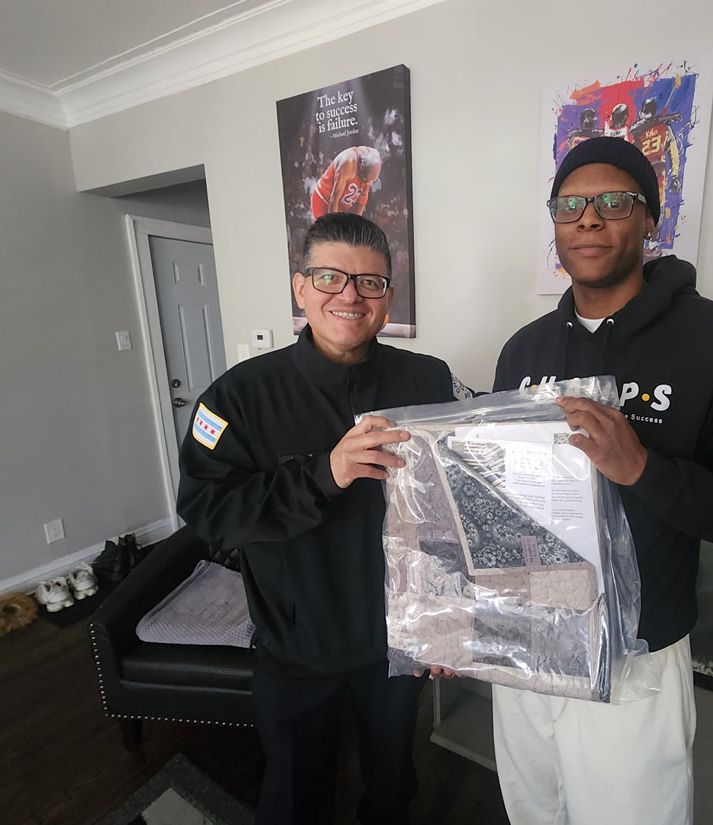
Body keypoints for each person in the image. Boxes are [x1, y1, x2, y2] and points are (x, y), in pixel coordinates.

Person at [490, 137, 713, 825]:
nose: (588, 218)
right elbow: (502, 505)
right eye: (569, 205)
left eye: (614, 202)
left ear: (651, 220)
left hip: (635, 657)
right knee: (531, 810)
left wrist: (642, 468)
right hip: (527, 645)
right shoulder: (523, 349)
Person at [177, 213, 468, 825]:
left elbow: (455, 510)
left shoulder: (428, 378)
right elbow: (209, 512)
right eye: (330, 277)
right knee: (293, 797)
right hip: (297, 646)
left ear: (388, 297)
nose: (350, 296)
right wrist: (322, 474)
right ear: (301, 288)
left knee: (392, 788)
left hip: (398, 640)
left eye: (370, 282)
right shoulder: (238, 396)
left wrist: (446, 620)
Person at [310, 145, 383, 219]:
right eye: (365, 180)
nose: (366, 184)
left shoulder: (372, 165)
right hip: (324, 200)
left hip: (342, 206)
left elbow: (361, 202)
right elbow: (335, 198)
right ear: (362, 166)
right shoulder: (348, 162)